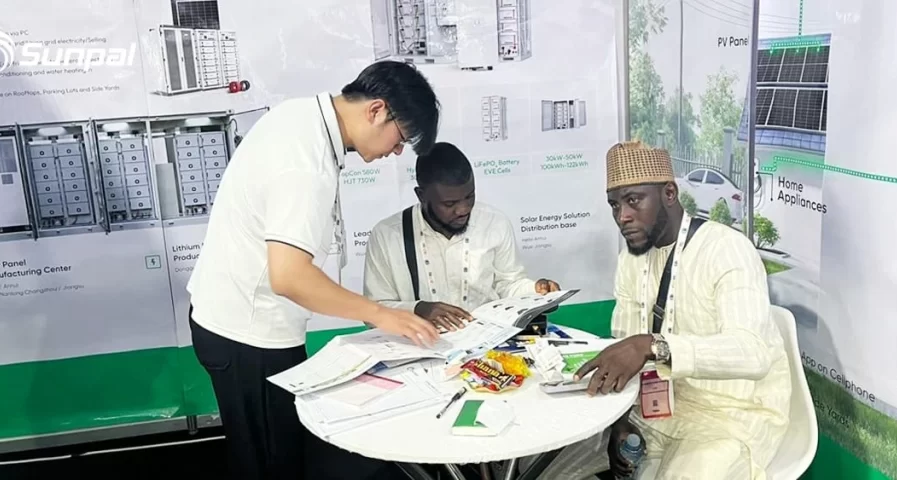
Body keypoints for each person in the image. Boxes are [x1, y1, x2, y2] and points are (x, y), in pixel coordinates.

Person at [185, 61, 443, 480]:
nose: (397, 152)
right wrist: (381, 314)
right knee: (270, 463)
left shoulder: (301, 117)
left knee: (278, 449)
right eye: (401, 139)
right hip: (248, 335)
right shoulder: (306, 163)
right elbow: (288, 276)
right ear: (377, 110)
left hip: (239, 322)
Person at [535, 141, 791, 479]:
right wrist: (620, 424)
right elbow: (625, 348)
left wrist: (653, 346)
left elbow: (753, 353)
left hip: (730, 417)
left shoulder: (727, 249)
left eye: (633, 200)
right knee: (548, 467)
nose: (622, 216)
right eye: (614, 205)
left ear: (669, 193)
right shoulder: (630, 258)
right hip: (653, 411)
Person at [363, 142, 560, 331]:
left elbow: (508, 285)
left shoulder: (495, 223)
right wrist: (419, 309)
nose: (463, 209)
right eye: (450, 204)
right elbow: (373, 313)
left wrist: (537, 292)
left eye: (469, 196)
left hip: (487, 345)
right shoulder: (388, 235)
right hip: (420, 351)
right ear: (421, 196)